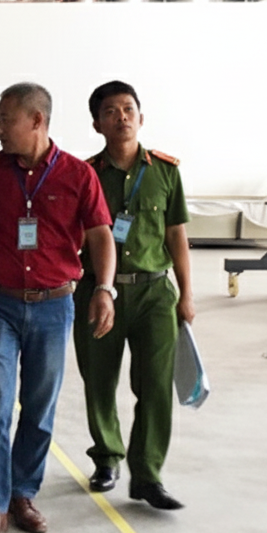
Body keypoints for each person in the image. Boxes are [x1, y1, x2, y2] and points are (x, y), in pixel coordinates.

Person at [0, 82, 116, 533]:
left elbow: (101, 235)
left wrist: (104, 289)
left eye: (5, 119)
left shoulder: (78, 175)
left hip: (55, 306)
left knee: (38, 408)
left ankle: (23, 494)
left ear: (36, 121)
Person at [73, 80, 195, 510]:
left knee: (156, 386)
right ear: (96, 124)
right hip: (98, 292)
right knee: (99, 381)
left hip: (154, 293)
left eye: (128, 109)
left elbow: (176, 235)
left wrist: (186, 294)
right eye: (110, 111)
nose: (121, 117)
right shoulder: (85, 174)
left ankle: (148, 474)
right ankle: (107, 458)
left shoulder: (165, 171)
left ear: (141, 117)